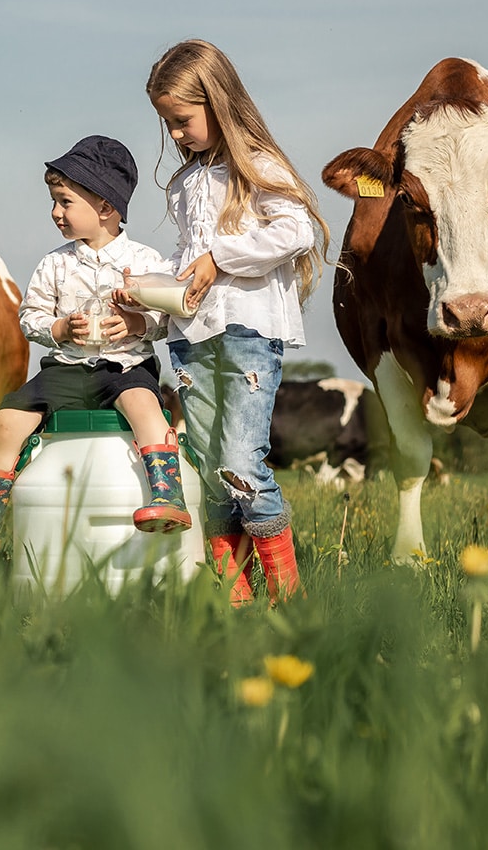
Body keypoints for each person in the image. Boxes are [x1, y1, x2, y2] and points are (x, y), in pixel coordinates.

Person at [137, 39, 331, 603]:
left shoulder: (258, 168)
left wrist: (220, 258)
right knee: (209, 463)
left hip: (247, 332)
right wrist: (152, 295)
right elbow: (185, 259)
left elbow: (296, 231)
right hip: (193, 340)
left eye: (182, 121)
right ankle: (234, 598)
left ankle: (287, 596)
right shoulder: (186, 184)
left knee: (241, 461)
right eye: (166, 124)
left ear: (217, 103)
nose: (174, 135)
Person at [0, 135, 190, 552]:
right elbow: (30, 317)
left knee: (147, 407)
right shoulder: (54, 264)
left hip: (124, 367)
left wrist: (135, 322)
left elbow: (167, 317)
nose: (55, 213)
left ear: (106, 208)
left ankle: (169, 496)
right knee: (7, 418)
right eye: (55, 202)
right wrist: (58, 330)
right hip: (66, 368)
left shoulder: (148, 263)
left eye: (65, 202)